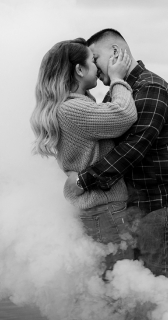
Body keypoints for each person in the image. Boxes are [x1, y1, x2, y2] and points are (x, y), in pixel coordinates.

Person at [70, 28, 168, 282]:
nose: (95, 68)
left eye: (95, 58)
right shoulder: (119, 92)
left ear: (116, 52)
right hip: (134, 206)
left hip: (162, 204)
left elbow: (134, 147)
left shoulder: (150, 87)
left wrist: (82, 181)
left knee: (160, 288)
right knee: (131, 291)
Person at [30, 38, 137, 273]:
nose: (98, 68)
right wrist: (118, 80)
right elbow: (123, 115)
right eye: (92, 61)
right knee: (118, 283)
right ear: (79, 69)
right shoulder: (73, 109)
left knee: (110, 282)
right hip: (105, 210)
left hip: (96, 210)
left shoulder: (73, 105)